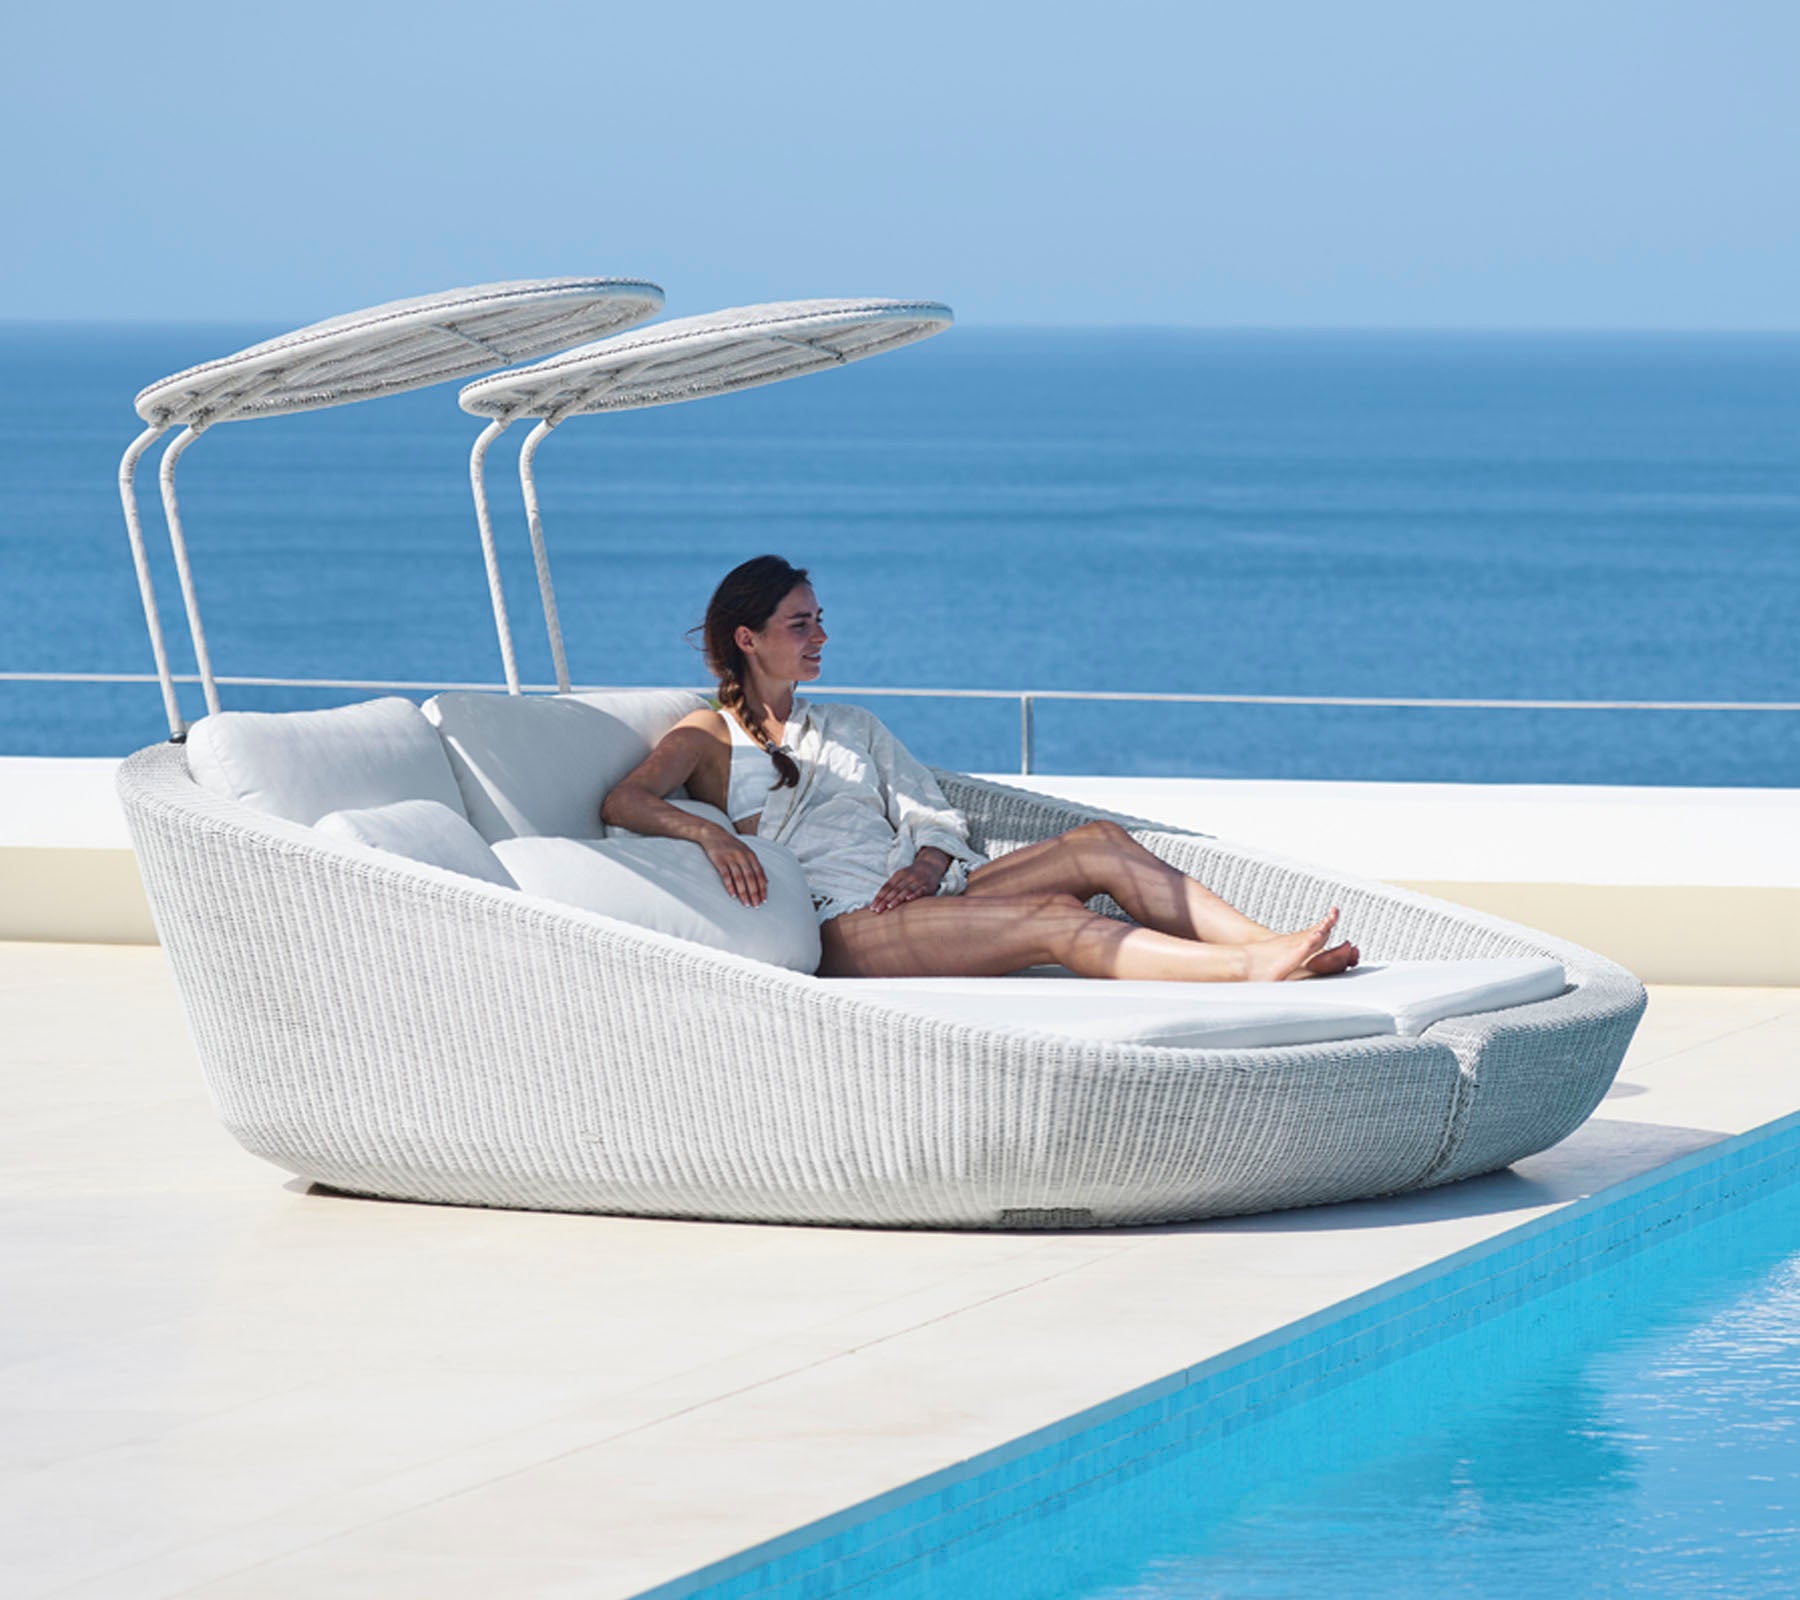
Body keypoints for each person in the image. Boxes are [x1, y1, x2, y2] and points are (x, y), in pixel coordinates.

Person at [601, 556, 1360, 982]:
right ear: (748, 638)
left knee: (1097, 841)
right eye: (801, 624)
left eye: (820, 618)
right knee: (1057, 919)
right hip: (847, 921)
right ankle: (1246, 972)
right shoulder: (709, 734)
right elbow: (627, 801)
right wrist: (716, 839)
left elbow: (932, 812)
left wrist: (931, 862)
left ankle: (1275, 944)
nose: (821, 635)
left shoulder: (853, 725)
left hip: (917, 889)